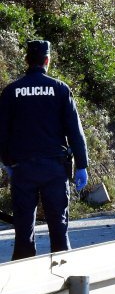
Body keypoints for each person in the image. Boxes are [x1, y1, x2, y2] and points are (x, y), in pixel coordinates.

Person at [0, 40, 88, 260]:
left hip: (23, 169)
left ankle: (24, 282)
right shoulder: (60, 89)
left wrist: (7, 163)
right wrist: (82, 165)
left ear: (27, 60)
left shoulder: (11, 91)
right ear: (47, 60)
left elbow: (1, 132)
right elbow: (75, 132)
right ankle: (62, 275)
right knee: (58, 226)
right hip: (54, 168)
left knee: (23, 228)